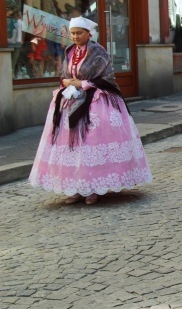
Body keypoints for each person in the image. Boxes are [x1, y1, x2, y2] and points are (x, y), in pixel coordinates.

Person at [29, 17, 152, 204]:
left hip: (95, 102)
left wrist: (84, 83)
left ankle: (94, 187)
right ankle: (75, 187)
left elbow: (108, 78)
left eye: (79, 33)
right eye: (72, 33)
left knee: (90, 143)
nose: (75, 36)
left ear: (89, 34)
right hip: (71, 101)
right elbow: (64, 74)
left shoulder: (98, 52)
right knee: (72, 148)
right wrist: (66, 82)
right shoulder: (69, 51)